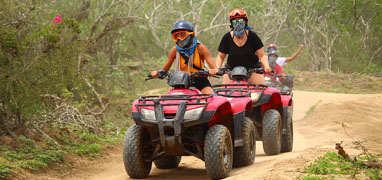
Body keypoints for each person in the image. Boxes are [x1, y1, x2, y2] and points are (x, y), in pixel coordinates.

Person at [151, 20, 217, 94]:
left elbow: (214, 68)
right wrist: (158, 73)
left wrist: (213, 70)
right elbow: (164, 71)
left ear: (191, 34)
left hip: (200, 81)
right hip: (180, 83)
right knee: (166, 101)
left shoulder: (201, 48)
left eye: (182, 35)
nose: (179, 39)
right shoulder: (175, 50)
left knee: (210, 97)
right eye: (176, 36)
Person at [216, 8, 271, 84]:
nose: (238, 24)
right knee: (225, 92)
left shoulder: (252, 36)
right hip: (231, 71)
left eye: (241, 21)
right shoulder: (227, 37)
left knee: (260, 91)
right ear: (232, 23)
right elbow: (220, 56)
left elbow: (261, 55)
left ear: (246, 22)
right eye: (235, 22)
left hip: (252, 70)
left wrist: (267, 66)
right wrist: (216, 68)